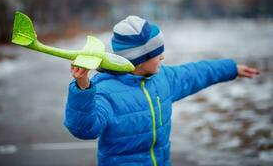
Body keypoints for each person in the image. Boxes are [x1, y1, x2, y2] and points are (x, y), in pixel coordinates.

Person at [64, 16, 260, 166]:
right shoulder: (106, 90)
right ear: (139, 59)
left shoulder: (161, 79)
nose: (163, 57)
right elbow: (84, 129)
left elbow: (195, 73)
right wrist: (82, 86)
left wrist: (231, 68)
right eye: (157, 54)